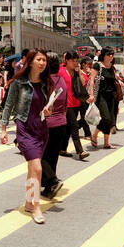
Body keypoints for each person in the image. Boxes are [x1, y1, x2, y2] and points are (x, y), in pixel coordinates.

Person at [0, 49, 54, 225]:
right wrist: (3, 129)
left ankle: (29, 202)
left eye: (44, 60)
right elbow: (9, 105)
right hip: (24, 128)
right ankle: (37, 206)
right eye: (39, 59)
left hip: (41, 128)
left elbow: (48, 107)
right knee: (37, 168)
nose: (42, 63)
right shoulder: (19, 82)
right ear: (30, 61)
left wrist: (48, 109)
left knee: (32, 169)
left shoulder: (46, 82)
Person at [40, 52, 70, 196]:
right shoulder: (62, 80)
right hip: (61, 124)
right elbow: (65, 105)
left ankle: (52, 180)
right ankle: (48, 187)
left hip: (47, 124)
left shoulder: (44, 82)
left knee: (39, 156)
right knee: (52, 157)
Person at [59, 52, 90, 160]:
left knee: (68, 128)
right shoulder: (61, 71)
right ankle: (80, 151)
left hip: (76, 102)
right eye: (73, 61)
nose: (75, 63)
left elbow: (83, 82)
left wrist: (79, 71)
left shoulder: (76, 72)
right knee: (74, 127)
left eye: (77, 61)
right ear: (66, 61)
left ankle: (62, 149)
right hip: (66, 104)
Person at [91, 48, 121, 149]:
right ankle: (94, 134)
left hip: (111, 96)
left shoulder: (112, 67)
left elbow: (114, 79)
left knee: (110, 120)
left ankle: (106, 142)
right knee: (106, 118)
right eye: (109, 54)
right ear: (104, 55)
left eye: (112, 54)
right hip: (101, 96)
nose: (111, 56)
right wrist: (91, 95)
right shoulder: (97, 66)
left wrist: (119, 81)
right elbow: (91, 82)